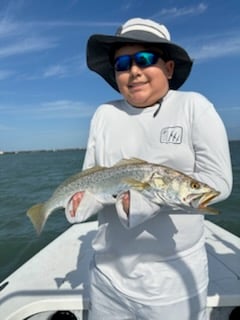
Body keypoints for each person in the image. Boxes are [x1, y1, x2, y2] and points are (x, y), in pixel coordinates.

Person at [66, 18, 232, 320]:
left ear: (168, 68)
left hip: (173, 282)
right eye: (122, 64)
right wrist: (81, 203)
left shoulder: (194, 106)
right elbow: (92, 176)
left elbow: (218, 181)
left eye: (144, 59)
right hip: (106, 277)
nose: (134, 71)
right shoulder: (104, 114)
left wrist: (146, 202)